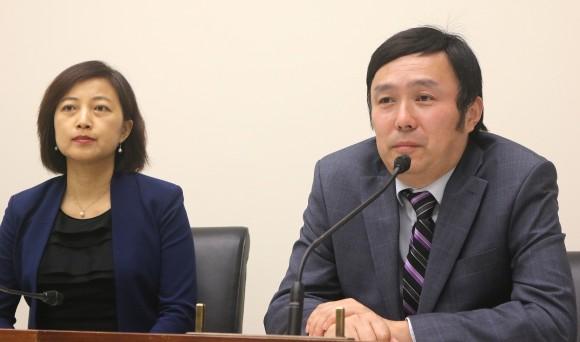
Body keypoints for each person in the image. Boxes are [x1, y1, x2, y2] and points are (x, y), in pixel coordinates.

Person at [264, 27, 577, 341]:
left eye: (424, 98)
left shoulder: (519, 179)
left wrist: (403, 333)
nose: (403, 119)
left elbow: (550, 318)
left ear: (471, 114)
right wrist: (333, 325)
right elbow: (285, 309)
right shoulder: (338, 179)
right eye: (386, 100)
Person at [0, 61, 196, 333]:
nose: (83, 120)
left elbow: (177, 312)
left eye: (100, 108)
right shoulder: (23, 209)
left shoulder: (162, 202)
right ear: (53, 125)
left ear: (125, 130)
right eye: (69, 108)